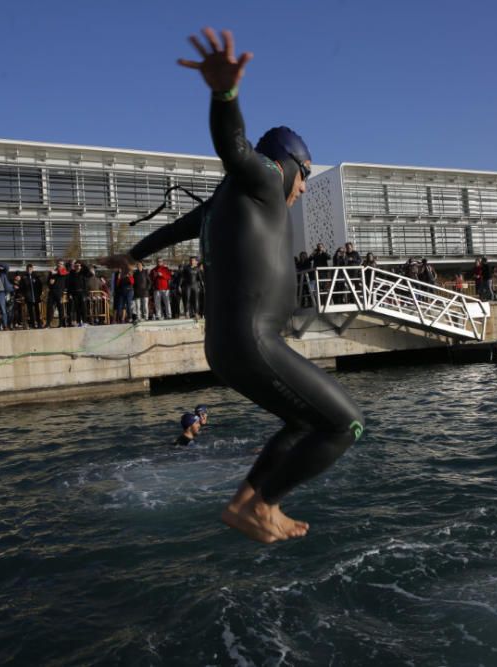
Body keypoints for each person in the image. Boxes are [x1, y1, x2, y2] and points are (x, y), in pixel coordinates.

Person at [101, 28, 363, 543]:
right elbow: (235, 147)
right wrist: (225, 95)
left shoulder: (227, 201)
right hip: (252, 341)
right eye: (305, 173)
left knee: (303, 423)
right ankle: (262, 504)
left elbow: (177, 228)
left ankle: (249, 504)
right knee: (344, 424)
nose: (305, 187)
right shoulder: (264, 175)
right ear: (287, 163)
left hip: (232, 345)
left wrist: (131, 255)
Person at [20, 264, 43, 329]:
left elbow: (40, 286)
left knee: (37, 311)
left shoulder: (36, 277)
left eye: (30, 269)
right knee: (30, 312)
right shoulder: (24, 277)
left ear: (32, 269)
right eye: (28, 269)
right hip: (29, 297)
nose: (29, 270)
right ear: (26, 269)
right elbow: (21, 287)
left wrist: (39, 294)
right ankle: (32, 324)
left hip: (36, 297)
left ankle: (39, 324)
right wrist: (24, 295)